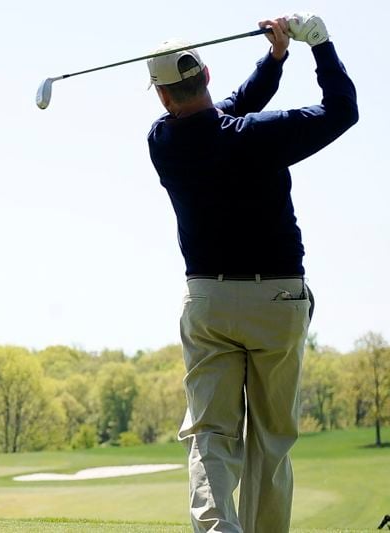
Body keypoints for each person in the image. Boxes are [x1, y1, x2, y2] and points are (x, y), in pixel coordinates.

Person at [146, 13, 357, 533]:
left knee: (211, 433)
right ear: (207, 74)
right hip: (278, 301)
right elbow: (342, 110)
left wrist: (275, 59)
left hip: (210, 304)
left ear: (162, 96)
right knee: (270, 439)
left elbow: (224, 112)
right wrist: (319, 44)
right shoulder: (261, 136)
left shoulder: (161, 140)